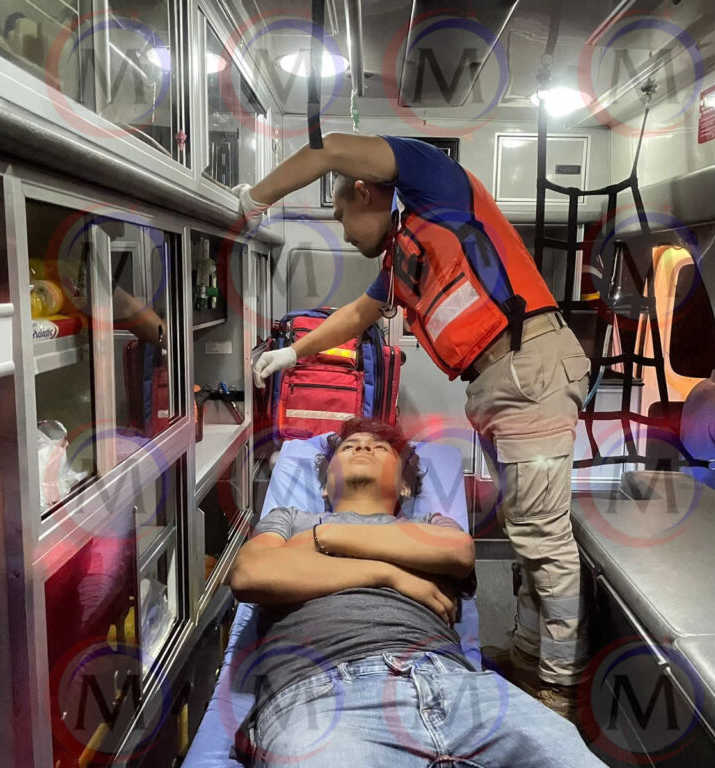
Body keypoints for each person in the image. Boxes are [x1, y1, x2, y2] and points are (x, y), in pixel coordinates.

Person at [234, 133, 591, 716]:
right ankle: (530, 655)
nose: (345, 233)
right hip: (501, 382)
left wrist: (255, 199)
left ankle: (559, 686)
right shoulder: (400, 263)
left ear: (363, 191)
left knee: (541, 536)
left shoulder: (438, 186)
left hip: (530, 368)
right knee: (525, 528)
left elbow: (328, 148)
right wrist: (293, 353)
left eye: (342, 217)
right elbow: (356, 314)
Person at [228, 418, 606, 768]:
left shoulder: (429, 524)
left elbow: (458, 552)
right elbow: (250, 573)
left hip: (459, 689)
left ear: (405, 486)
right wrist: (389, 575)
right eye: (349, 447)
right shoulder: (291, 518)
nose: (362, 447)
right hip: (323, 695)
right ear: (325, 485)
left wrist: (321, 539)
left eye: (379, 447)